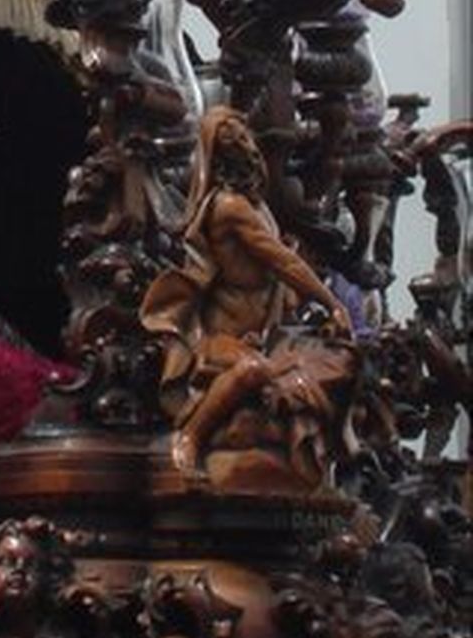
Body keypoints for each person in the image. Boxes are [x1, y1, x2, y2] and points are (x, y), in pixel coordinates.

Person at [140, 108, 356, 485]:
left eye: (244, 136)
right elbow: (283, 262)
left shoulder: (256, 205)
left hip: (263, 334)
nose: (246, 147)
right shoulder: (229, 207)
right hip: (217, 339)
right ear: (216, 156)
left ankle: (329, 462)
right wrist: (330, 301)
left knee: (341, 359)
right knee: (255, 371)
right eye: (231, 141)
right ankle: (193, 436)